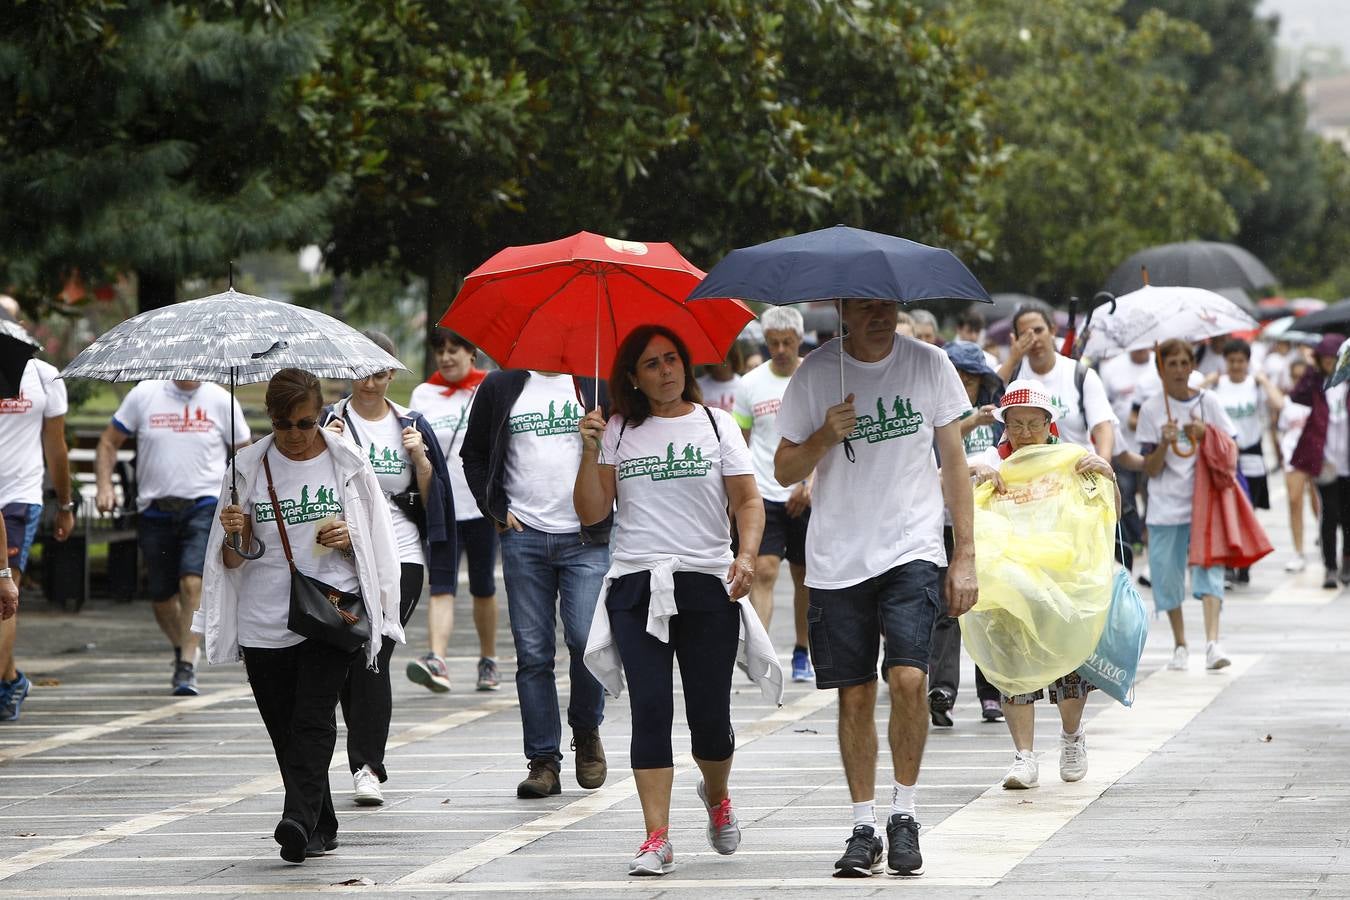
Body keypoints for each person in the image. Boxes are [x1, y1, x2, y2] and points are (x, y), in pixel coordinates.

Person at [775, 298, 978, 879]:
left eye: (886, 304)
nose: (879, 315)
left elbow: (955, 461)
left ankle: (904, 814)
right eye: (865, 306)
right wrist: (823, 437)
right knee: (855, 694)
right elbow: (784, 467)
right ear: (843, 309)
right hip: (839, 558)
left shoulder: (930, 365)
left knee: (910, 677)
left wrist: (964, 554)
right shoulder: (817, 372)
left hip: (910, 546)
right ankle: (863, 824)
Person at [575, 325, 771, 876]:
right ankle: (656, 837)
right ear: (632, 378)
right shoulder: (616, 430)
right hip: (637, 584)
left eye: (671, 360)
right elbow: (592, 514)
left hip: (708, 582)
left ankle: (717, 793)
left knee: (710, 717)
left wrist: (748, 557)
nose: (665, 371)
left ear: (684, 365)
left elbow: (748, 503)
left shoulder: (716, 424)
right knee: (651, 708)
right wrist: (588, 452)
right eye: (651, 364)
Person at [200, 367, 403, 863]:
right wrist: (237, 532)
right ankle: (320, 822)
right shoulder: (245, 468)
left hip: (331, 612)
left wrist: (348, 539)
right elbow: (229, 561)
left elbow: (377, 541)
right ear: (270, 418)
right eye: (283, 424)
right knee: (284, 728)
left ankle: (296, 820)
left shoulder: (347, 464)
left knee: (313, 719)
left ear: (320, 416)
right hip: (263, 617)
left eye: (306, 423)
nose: (294, 434)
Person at [461, 367, 610, 799]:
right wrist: (494, 507)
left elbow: (623, 450)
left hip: (585, 536)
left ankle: (586, 730)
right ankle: (544, 760)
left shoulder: (594, 381)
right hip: (523, 537)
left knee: (585, 640)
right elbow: (474, 454)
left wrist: (597, 444)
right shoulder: (501, 385)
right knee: (532, 654)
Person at [323, 331, 456, 807]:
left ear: (392, 373)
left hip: (401, 555)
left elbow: (431, 494)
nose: (370, 383)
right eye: (361, 372)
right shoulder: (329, 422)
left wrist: (419, 455)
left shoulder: (409, 423)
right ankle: (361, 759)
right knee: (349, 657)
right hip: (341, 558)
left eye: (380, 373)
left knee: (374, 653)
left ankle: (366, 766)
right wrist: (325, 448)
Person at [968, 380, 1120, 789]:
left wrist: (1109, 477)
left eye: (1033, 424)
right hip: (1012, 584)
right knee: (1013, 666)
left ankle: (1072, 737)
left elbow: (1108, 515)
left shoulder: (1072, 461)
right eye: (1015, 424)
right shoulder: (993, 464)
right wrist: (973, 473)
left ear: (1050, 423)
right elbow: (953, 490)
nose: (1024, 434)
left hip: (1063, 582)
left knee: (1071, 667)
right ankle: (1024, 757)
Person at [94, 380, 251, 696]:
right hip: (155, 508)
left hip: (204, 504)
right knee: (161, 597)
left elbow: (245, 452)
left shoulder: (222, 399)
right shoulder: (144, 394)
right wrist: (104, 486)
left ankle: (186, 665)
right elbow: (109, 442)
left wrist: (244, 502)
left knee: (192, 582)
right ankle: (185, 648)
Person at [407, 329, 500, 692]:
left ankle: (488, 659)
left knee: (483, 587)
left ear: (472, 353)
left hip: (481, 506)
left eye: (454, 350)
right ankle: (437, 659)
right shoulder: (423, 394)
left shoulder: (490, 388)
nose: (446, 357)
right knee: (440, 585)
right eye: (440, 351)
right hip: (442, 507)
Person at [1136, 340, 1238, 671]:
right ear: (1160, 369)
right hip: (1165, 506)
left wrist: (1206, 432)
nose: (1179, 370)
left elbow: (1231, 450)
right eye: (1172, 364)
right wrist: (1164, 444)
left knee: (1210, 570)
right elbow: (1149, 469)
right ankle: (1180, 644)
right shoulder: (1152, 409)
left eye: (1184, 363)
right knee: (1166, 577)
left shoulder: (1210, 403)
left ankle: (1213, 642)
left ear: (1192, 365)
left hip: (1204, 503)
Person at [0, 294, 74, 722]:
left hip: (19, 499)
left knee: (4, 593)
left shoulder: (46, 377)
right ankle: (9, 679)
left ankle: (4, 683)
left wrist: (64, 504)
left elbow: (56, 449)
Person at [732, 307, 814, 682]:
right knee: (763, 570)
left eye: (787, 342)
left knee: (805, 575)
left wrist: (809, 483)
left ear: (799, 340)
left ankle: (802, 650)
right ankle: (761, 653)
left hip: (808, 491)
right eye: (773, 343)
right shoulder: (749, 385)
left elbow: (826, 438)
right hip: (765, 489)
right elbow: (740, 443)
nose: (780, 349)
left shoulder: (814, 378)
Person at [928, 341, 1004, 727]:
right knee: (947, 610)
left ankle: (991, 692)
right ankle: (942, 690)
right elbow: (936, 457)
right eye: (956, 375)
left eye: (970, 378)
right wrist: (972, 421)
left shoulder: (999, 417)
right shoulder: (936, 413)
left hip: (987, 523)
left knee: (989, 608)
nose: (962, 383)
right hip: (943, 523)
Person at [1210, 339, 1285, 584]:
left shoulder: (1255, 384)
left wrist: (1264, 380)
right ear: (1225, 361)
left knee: (1247, 510)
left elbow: (1279, 404)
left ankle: (1245, 562)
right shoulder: (1217, 385)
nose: (1236, 366)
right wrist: (1208, 380)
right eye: (1231, 361)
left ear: (1248, 362)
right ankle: (1230, 562)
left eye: (1241, 361)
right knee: (1226, 510)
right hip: (1225, 455)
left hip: (1251, 452)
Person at [999, 305, 1116, 458]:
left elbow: (1102, 427)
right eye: (1025, 334)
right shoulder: (1009, 373)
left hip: (1076, 473)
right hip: (1024, 475)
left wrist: (1102, 466)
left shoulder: (1081, 375)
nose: (1034, 339)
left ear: (1053, 330)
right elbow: (987, 393)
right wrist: (1013, 359)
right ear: (1014, 339)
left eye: (1038, 330)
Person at [1290, 334, 1350, 589]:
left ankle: (1347, 562)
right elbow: (1296, 395)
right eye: (1324, 359)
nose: (1329, 363)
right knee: (1329, 514)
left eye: (1334, 359)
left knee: (1348, 517)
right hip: (1325, 462)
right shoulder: (1316, 385)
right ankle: (1329, 567)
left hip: (1348, 461)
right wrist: (1311, 371)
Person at [1098, 348, 1161, 558]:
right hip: (1121, 443)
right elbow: (1102, 407)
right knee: (1125, 492)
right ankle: (1135, 538)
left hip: (1153, 446)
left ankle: (1147, 531)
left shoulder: (1159, 364)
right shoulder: (1111, 369)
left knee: (1152, 493)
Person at [697, 343, 743, 413]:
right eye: (713, 359)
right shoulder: (697, 386)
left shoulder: (743, 385)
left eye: (723, 361)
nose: (717, 365)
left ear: (733, 359)